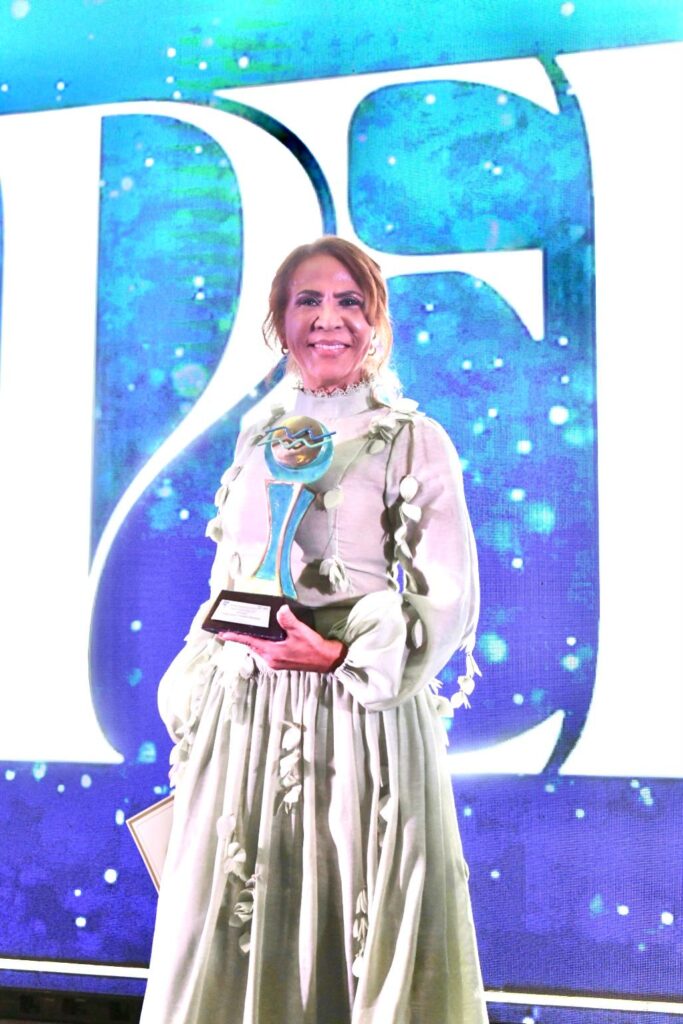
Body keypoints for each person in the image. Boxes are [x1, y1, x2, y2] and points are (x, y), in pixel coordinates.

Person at [140, 237, 488, 1023]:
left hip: (355, 717)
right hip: (248, 715)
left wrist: (335, 654)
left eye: (348, 302)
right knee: (230, 933)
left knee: (351, 921)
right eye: (308, 301)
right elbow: (235, 569)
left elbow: (447, 593)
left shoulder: (412, 437)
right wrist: (213, 672)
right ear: (279, 320)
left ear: (375, 321)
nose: (328, 319)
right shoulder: (259, 431)